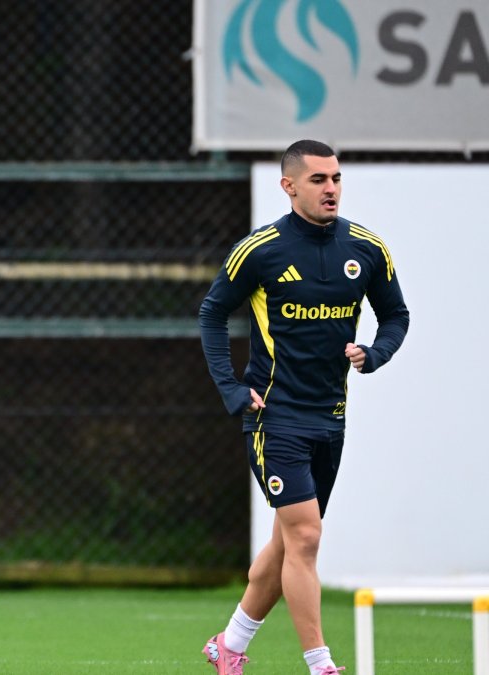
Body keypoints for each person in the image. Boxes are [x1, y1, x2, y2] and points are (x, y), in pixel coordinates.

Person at [198, 139, 409, 675]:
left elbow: (397, 316)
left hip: (331, 416)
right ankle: (320, 663)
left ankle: (230, 645)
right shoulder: (261, 250)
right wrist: (229, 386)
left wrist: (374, 353)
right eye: (318, 180)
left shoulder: (366, 248)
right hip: (275, 416)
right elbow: (212, 314)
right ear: (288, 186)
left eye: (336, 178)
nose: (331, 189)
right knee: (307, 538)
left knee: (287, 544)